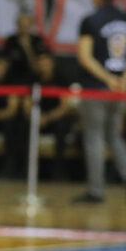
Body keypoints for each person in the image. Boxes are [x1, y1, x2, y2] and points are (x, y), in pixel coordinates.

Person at [74, 0, 126, 203]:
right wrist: (124, 79)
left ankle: (96, 190)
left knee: (94, 138)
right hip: (120, 89)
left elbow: (85, 56)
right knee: (114, 136)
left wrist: (108, 79)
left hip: (96, 88)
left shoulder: (91, 20)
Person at [29, 52, 76, 180]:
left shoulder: (61, 79)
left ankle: (58, 171)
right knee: (23, 126)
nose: (43, 65)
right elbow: (28, 104)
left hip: (55, 118)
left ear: (52, 63)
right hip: (38, 118)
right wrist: (37, 117)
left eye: (46, 62)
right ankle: (24, 170)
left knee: (61, 127)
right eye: (41, 62)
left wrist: (47, 117)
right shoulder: (33, 80)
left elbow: (64, 107)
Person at [1, 12, 49, 85]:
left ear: (31, 25)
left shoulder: (38, 41)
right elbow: (5, 62)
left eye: (27, 25)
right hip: (14, 78)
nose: (24, 28)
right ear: (17, 25)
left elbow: (43, 62)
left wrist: (27, 48)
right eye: (22, 25)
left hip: (36, 78)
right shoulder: (10, 41)